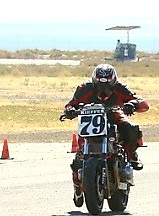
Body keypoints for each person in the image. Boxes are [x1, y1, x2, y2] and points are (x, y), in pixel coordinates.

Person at [63, 64, 149, 207]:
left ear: (113, 83)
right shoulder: (84, 88)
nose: (104, 91)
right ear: (94, 83)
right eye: (100, 86)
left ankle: (132, 153)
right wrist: (70, 110)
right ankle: (78, 186)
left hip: (113, 115)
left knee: (131, 127)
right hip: (90, 121)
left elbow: (142, 102)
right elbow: (71, 104)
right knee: (79, 157)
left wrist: (132, 104)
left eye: (108, 86)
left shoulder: (121, 88)